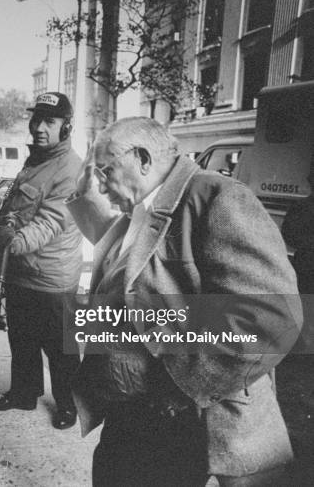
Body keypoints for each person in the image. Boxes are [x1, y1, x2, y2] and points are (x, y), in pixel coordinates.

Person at [66, 117, 302, 486]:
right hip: (129, 414)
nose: (100, 184)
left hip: (179, 418)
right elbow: (134, 276)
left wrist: (171, 379)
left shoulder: (217, 197)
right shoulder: (140, 209)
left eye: (106, 170)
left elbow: (269, 316)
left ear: (142, 159)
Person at [0, 92, 83, 430]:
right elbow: (15, 208)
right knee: (22, 339)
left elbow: (52, 221)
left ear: (66, 127)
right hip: (22, 272)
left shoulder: (71, 168)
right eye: (36, 120)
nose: (39, 128)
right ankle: (23, 394)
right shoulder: (36, 161)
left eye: (49, 122)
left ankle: (69, 405)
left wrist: (12, 242)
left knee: (61, 350)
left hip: (53, 278)